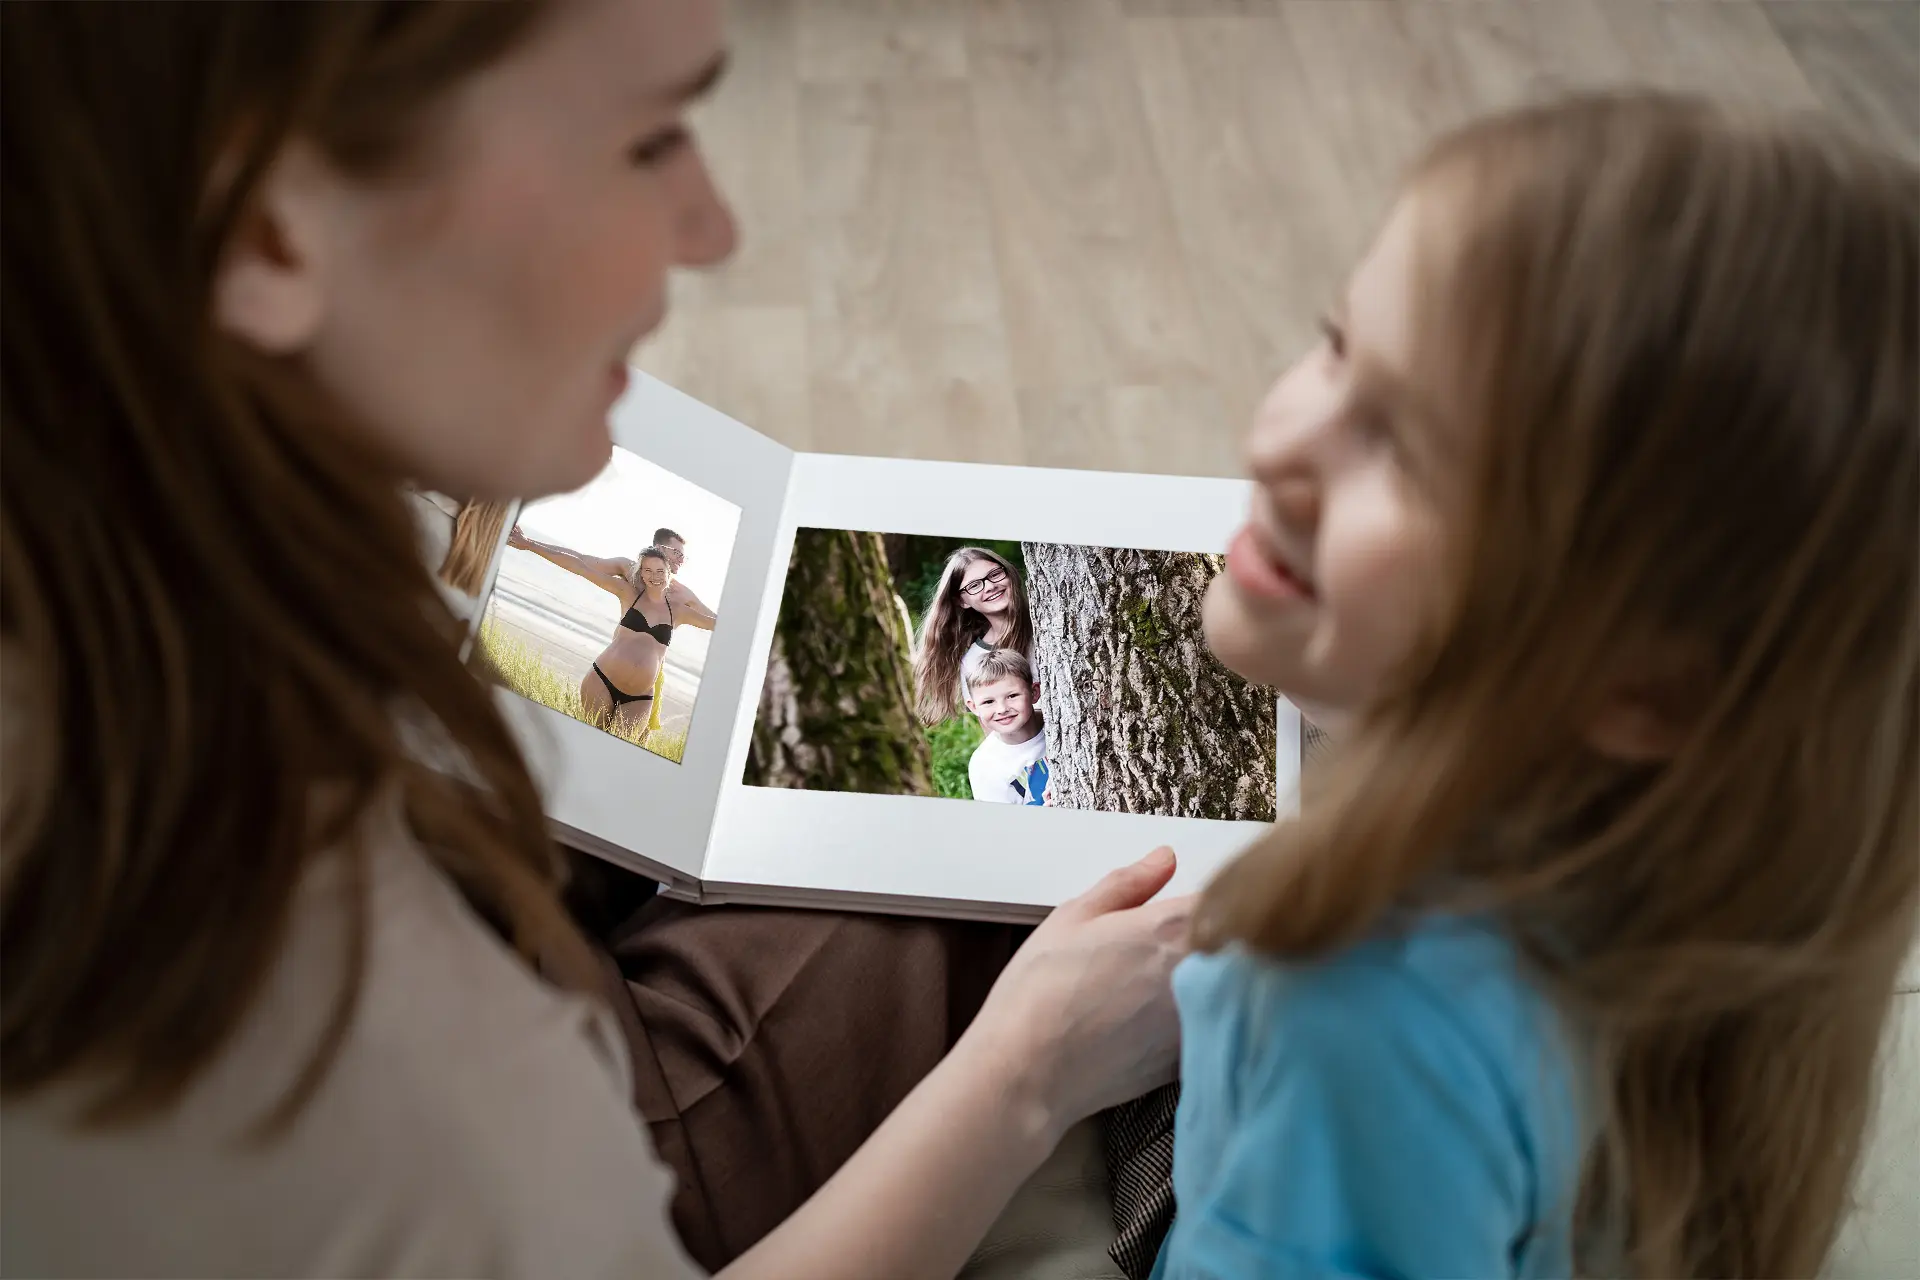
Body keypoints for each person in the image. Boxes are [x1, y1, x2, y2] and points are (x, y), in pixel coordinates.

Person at [0, 4, 1192, 1277]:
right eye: (644, 142)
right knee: (985, 895)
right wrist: (1030, 1071)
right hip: (585, 1078)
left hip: (522, 881)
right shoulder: (351, 1028)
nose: (714, 228)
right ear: (272, 229)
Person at [1147, 92, 1917, 1279]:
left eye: (1404, 446)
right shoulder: (1737, 892)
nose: (1275, 443)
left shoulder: (1344, 999)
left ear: (1650, 691)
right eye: (1337, 339)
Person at [507, 528, 710, 738]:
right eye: (677, 553)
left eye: (683, 556)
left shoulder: (681, 595)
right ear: (659, 549)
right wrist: (529, 543)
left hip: (650, 679)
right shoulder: (629, 572)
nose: (681, 560)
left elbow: (714, 621)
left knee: (639, 741)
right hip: (612, 667)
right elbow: (581, 561)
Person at [912, 547, 1034, 725]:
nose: (990, 586)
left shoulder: (1054, 629)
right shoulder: (973, 662)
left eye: (995, 574)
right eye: (974, 586)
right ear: (961, 601)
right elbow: (995, 736)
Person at [965, 650, 1050, 807]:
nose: (1002, 709)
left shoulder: (1059, 724)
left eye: (1012, 696)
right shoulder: (985, 766)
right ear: (973, 707)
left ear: (1034, 692)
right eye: (989, 702)